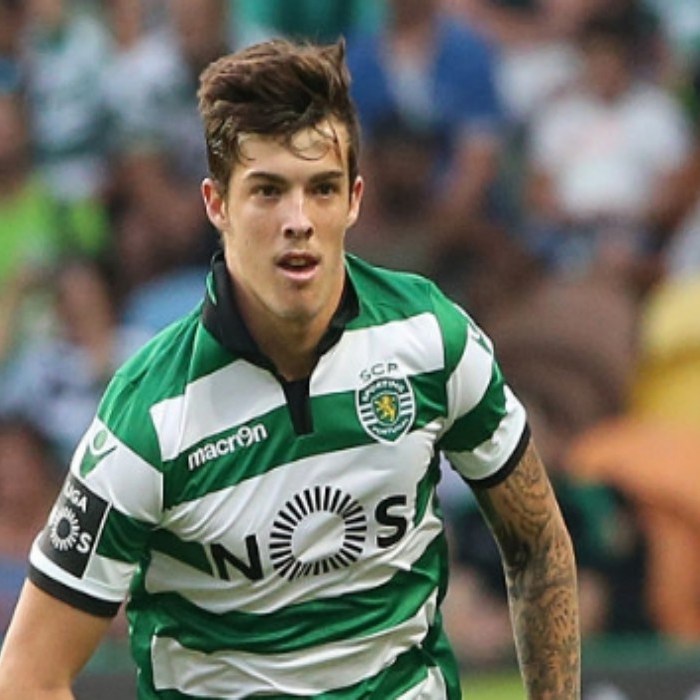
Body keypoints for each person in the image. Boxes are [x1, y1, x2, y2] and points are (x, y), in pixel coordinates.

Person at [0, 38, 580, 699]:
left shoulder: (431, 338)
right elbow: (28, 674)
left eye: (321, 188)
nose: (298, 221)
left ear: (353, 199)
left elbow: (538, 543)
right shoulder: (150, 416)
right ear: (217, 204)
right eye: (268, 191)